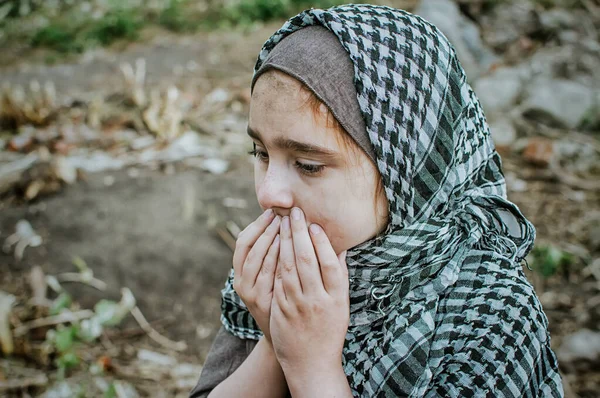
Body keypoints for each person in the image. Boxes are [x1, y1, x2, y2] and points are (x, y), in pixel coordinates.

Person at [190, 4, 564, 397]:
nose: (268, 193)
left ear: (406, 176)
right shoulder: (278, 274)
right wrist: (274, 341)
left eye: (308, 164)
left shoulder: (489, 313)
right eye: (260, 153)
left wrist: (312, 368)